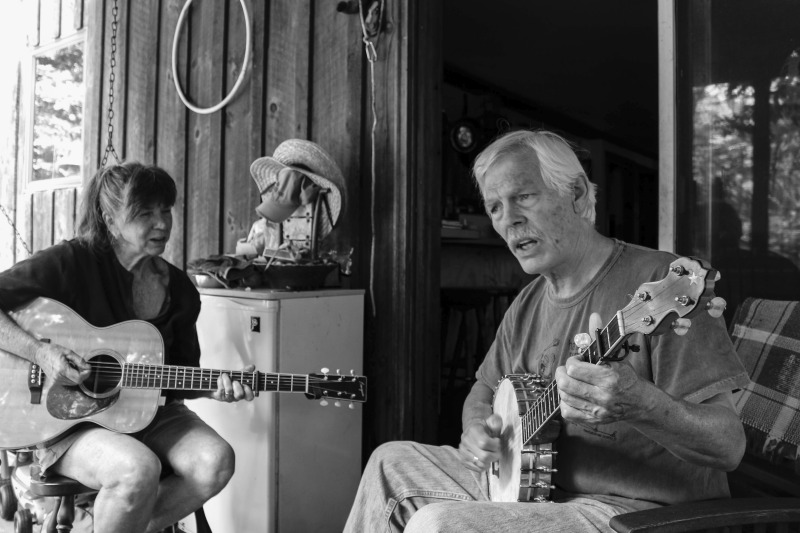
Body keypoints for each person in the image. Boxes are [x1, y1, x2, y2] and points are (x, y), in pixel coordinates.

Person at [344, 130, 750, 533]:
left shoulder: (663, 286)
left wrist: (639, 403)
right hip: (532, 495)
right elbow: (482, 392)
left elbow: (728, 445)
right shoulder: (528, 303)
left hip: (635, 513)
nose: (509, 219)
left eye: (523, 197)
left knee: (439, 524)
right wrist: (475, 430)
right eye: (495, 207)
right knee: (389, 462)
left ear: (575, 194)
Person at [0, 162, 255, 533]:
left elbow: (180, 377)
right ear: (110, 217)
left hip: (149, 413)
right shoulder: (72, 262)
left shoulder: (181, 290)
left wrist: (217, 387)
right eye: (145, 213)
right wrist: (41, 352)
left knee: (215, 461)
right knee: (137, 470)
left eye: (166, 210)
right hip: (69, 421)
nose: (162, 223)